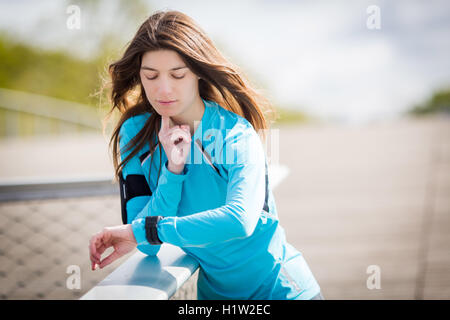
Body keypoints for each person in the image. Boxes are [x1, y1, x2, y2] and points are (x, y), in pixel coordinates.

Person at [89, 9, 323, 300]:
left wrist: (146, 230)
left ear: (198, 71)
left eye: (177, 74)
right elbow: (149, 245)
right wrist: (172, 173)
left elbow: (239, 220)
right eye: (151, 76)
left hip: (283, 290)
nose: (163, 89)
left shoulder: (235, 133)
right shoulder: (135, 135)